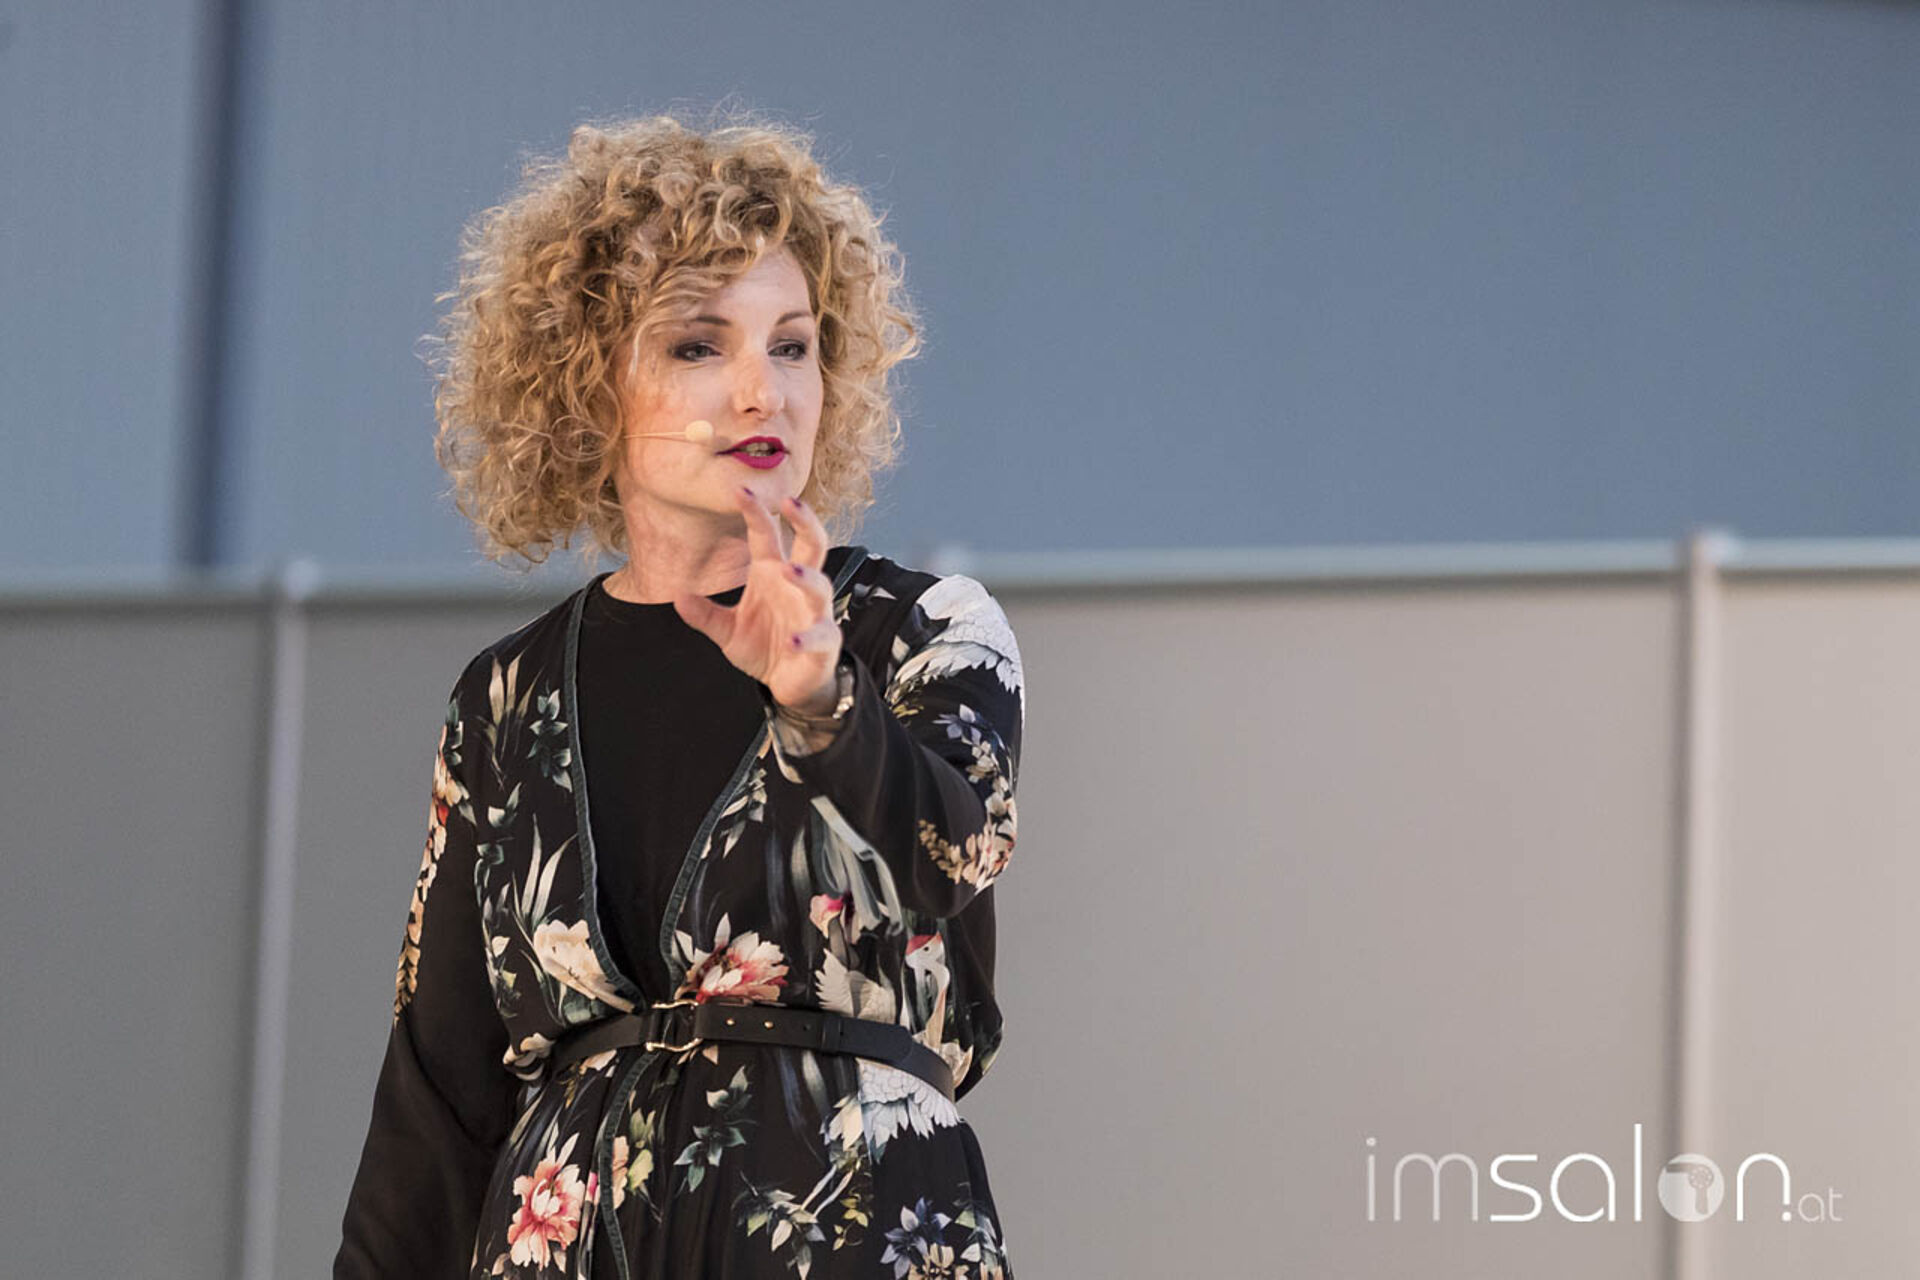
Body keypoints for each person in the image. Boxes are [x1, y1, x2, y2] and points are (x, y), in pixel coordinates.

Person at [331, 111, 1025, 1280]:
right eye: (700, 345)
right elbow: (437, 1100)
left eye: (794, 345)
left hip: (855, 1231)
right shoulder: (505, 698)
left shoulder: (924, 629)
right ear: (587, 382)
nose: (764, 390)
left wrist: (822, 701)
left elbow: (954, 859)